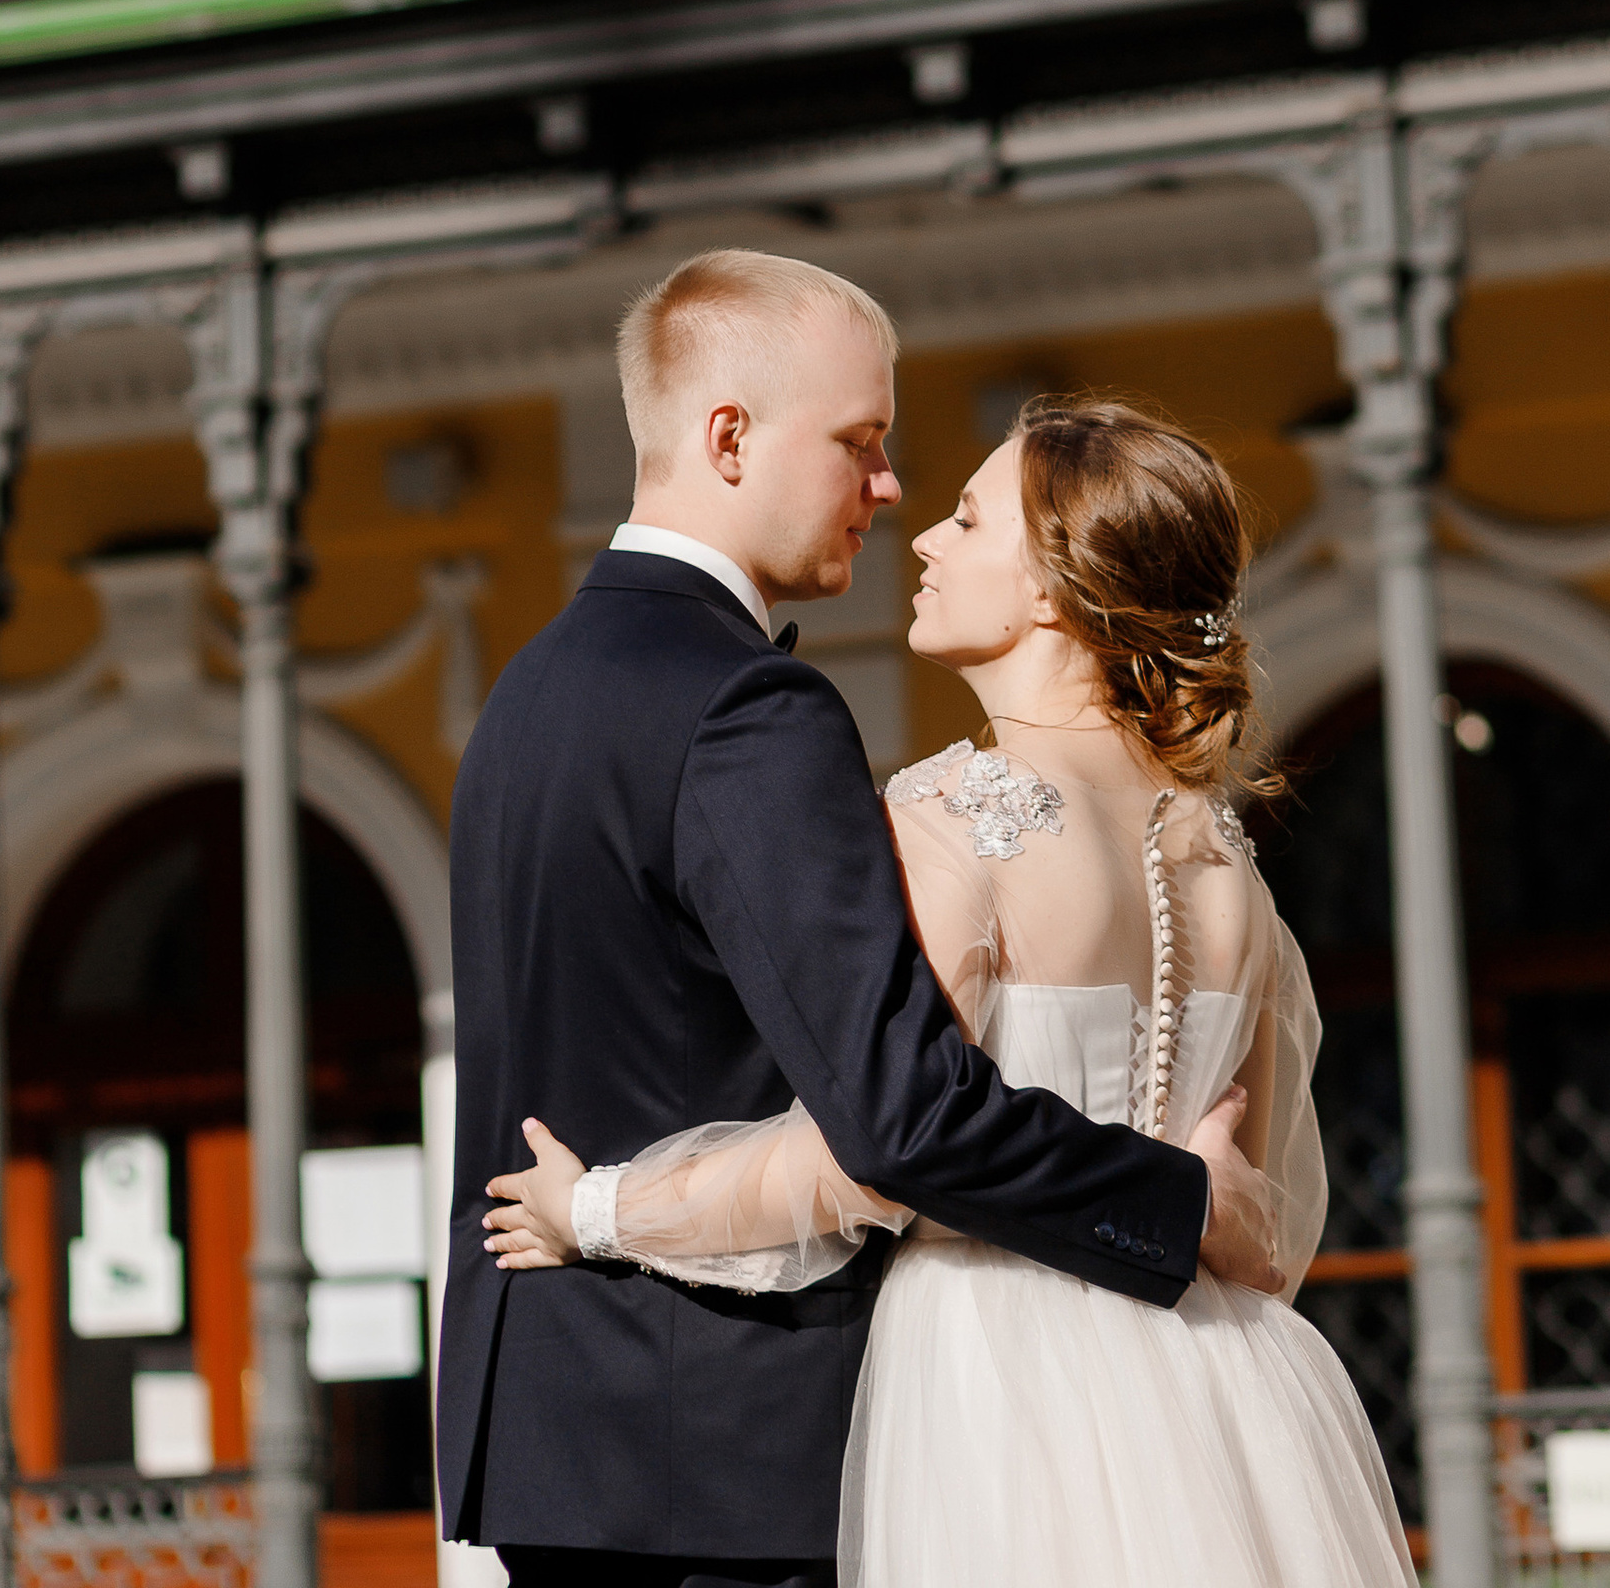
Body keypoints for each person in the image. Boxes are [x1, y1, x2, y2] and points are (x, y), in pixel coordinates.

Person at [438, 255, 1280, 1588]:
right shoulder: (748, 713)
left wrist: (591, 1214)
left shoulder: (527, 699)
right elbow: (898, 1117)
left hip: (564, 1431)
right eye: (862, 444)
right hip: (731, 1453)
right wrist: (1183, 1203)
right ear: (728, 436)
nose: (889, 492)